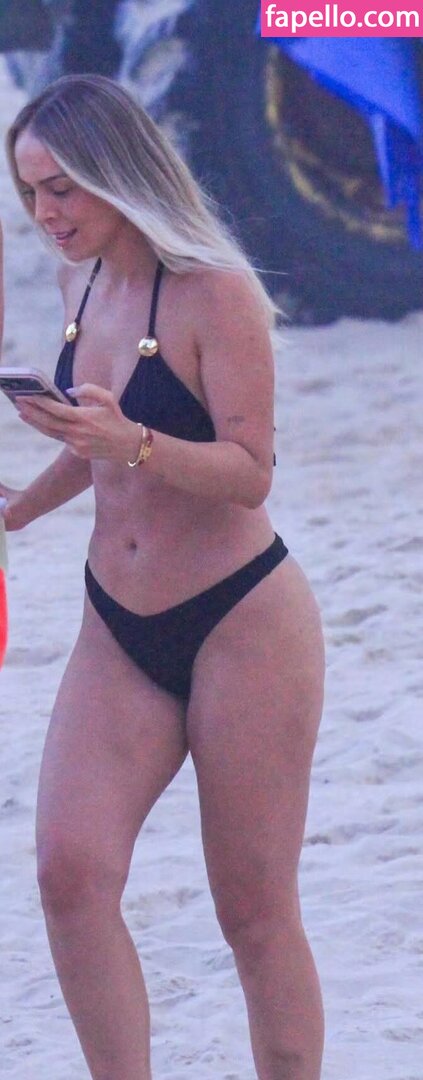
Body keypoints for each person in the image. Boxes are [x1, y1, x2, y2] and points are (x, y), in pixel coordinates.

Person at [0, 74, 325, 1080]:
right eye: (30, 191)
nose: (46, 214)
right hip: (116, 622)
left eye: (63, 189)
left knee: (254, 913)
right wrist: (17, 508)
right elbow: (97, 445)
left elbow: (250, 470)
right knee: (70, 874)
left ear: (117, 173)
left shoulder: (213, 292)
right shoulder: (82, 282)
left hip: (241, 620)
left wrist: (130, 441)